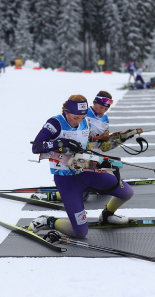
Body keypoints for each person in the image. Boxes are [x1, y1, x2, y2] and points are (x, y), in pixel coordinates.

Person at [29, 95, 134, 238]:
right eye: (75, 117)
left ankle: (107, 215)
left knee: (127, 192)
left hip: (88, 173)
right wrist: (62, 143)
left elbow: (95, 147)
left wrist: (118, 140)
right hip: (67, 181)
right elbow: (36, 147)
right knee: (80, 232)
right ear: (66, 111)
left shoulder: (86, 123)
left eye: (82, 117)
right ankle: (48, 220)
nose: (78, 121)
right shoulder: (55, 123)